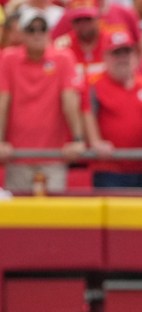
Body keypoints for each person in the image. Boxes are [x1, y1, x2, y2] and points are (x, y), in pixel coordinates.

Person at [0, 8, 85, 194]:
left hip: (53, 156)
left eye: (42, 28)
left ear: (49, 32)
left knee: (54, 218)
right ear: (22, 34)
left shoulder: (63, 57)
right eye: (31, 29)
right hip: (18, 156)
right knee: (19, 217)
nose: (37, 34)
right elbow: (2, 101)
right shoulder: (8, 58)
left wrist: (78, 139)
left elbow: (70, 99)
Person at [83, 28, 142, 189]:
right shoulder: (95, 84)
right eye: (116, 53)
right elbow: (87, 113)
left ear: (135, 55)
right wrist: (96, 142)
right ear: (105, 57)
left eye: (127, 52)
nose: (123, 58)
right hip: (109, 169)